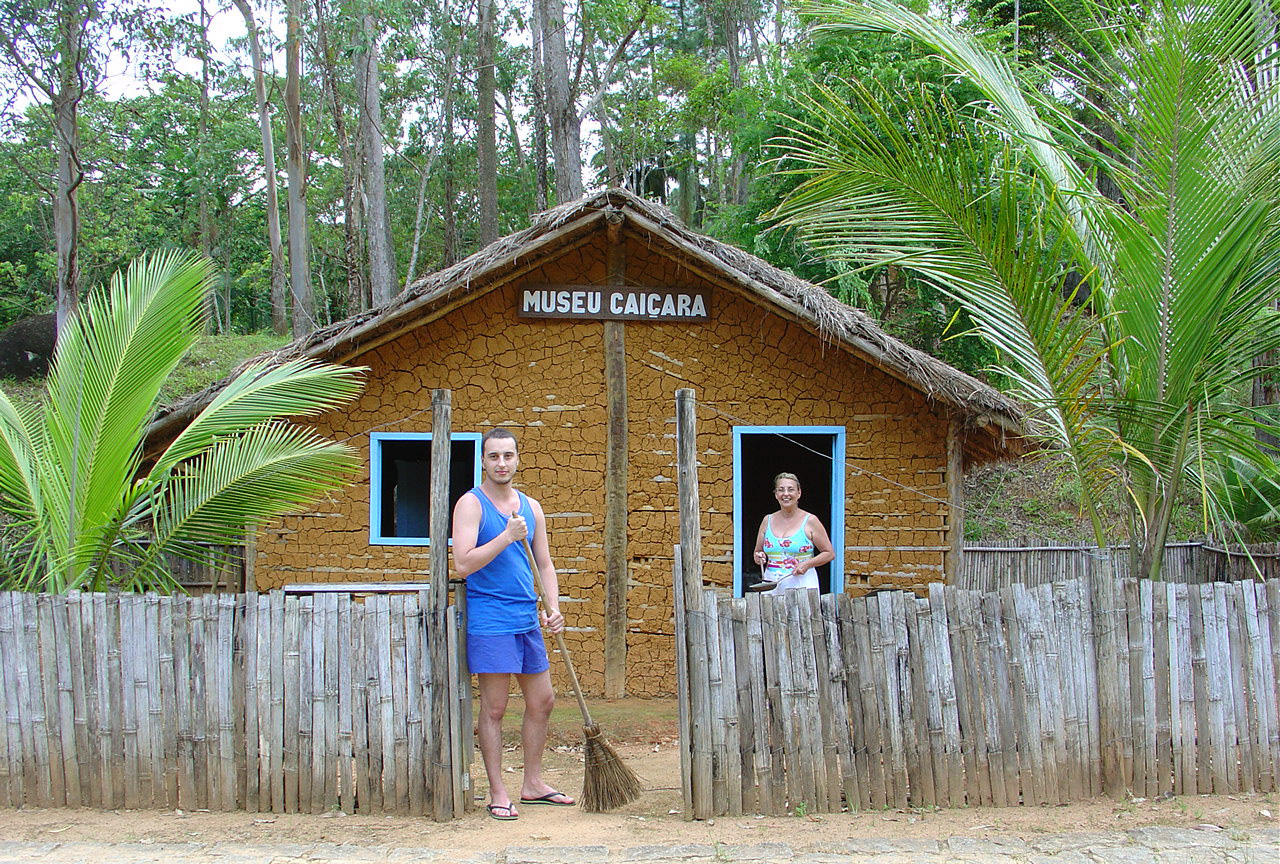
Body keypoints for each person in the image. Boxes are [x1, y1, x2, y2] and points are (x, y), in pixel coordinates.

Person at [451, 427, 575, 821]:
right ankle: (497, 791)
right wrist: (506, 535)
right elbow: (463, 564)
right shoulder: (471, 505)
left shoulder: (531, 507)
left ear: (518, 458)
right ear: (483, 461)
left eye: (508, 455)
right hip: (490, 618)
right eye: (494, 456)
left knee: (543, 700)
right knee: (495, 707)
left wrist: (552, 606)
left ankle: (532, 784)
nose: (501, 463)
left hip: (526, 616)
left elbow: (544, 564)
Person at [750, 472, 836, 595]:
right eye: (781, 490)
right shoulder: (767, 520)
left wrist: (807, 564)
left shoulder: (810, 521)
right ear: (776, 494)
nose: (786, 494)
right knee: (771, 614)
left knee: (801, 615)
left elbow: (829, 553)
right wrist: (759, 557)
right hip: (771, 585)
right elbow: (758, 552)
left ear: (799, 493)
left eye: (790, 489)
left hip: (802, 584)